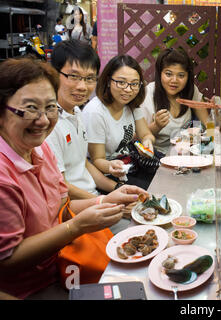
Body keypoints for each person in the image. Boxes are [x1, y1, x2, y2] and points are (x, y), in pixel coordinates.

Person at [0, 57, 147, 299]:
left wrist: (107, 200)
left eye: (49, 107)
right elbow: (9, 259)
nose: (44, 120)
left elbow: (60, 207)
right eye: (30, 108)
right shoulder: (5, 177)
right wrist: (75, 227)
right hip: (36, 286)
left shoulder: (39, 149)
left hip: (66, 261)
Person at [46, 39, 120, 200]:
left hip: (93, 197)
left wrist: (118, 188)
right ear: (54, 74)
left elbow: (82, 164)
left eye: (89, 78)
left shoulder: (77, 111)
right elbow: (61, 185)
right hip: (74, 207)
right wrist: (105, 201)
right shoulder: (48, 124)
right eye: (74, 76)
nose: (82, 86)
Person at [82, 54, 156, 190]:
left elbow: (146, 134)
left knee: (164, 179)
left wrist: (147, 142)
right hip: (107, 174)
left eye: (134, 84)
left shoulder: (131, 105)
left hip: (130, 164)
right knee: (152, 192)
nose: (128, 89)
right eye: (121, 82)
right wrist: (112, 167)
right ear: (108, 81)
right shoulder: (95, 112)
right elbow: (97, 160)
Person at [140, 48, 209, 155]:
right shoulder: (148, 94)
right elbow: (137, 136)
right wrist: (156, 126)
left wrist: (218, 121)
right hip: (155, 157)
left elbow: (209, 124)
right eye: (168, 74)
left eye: (181, 75)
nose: (174, 80)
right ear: (160, 74)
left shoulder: (191, 91)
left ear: (188, 76)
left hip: (185, 154)